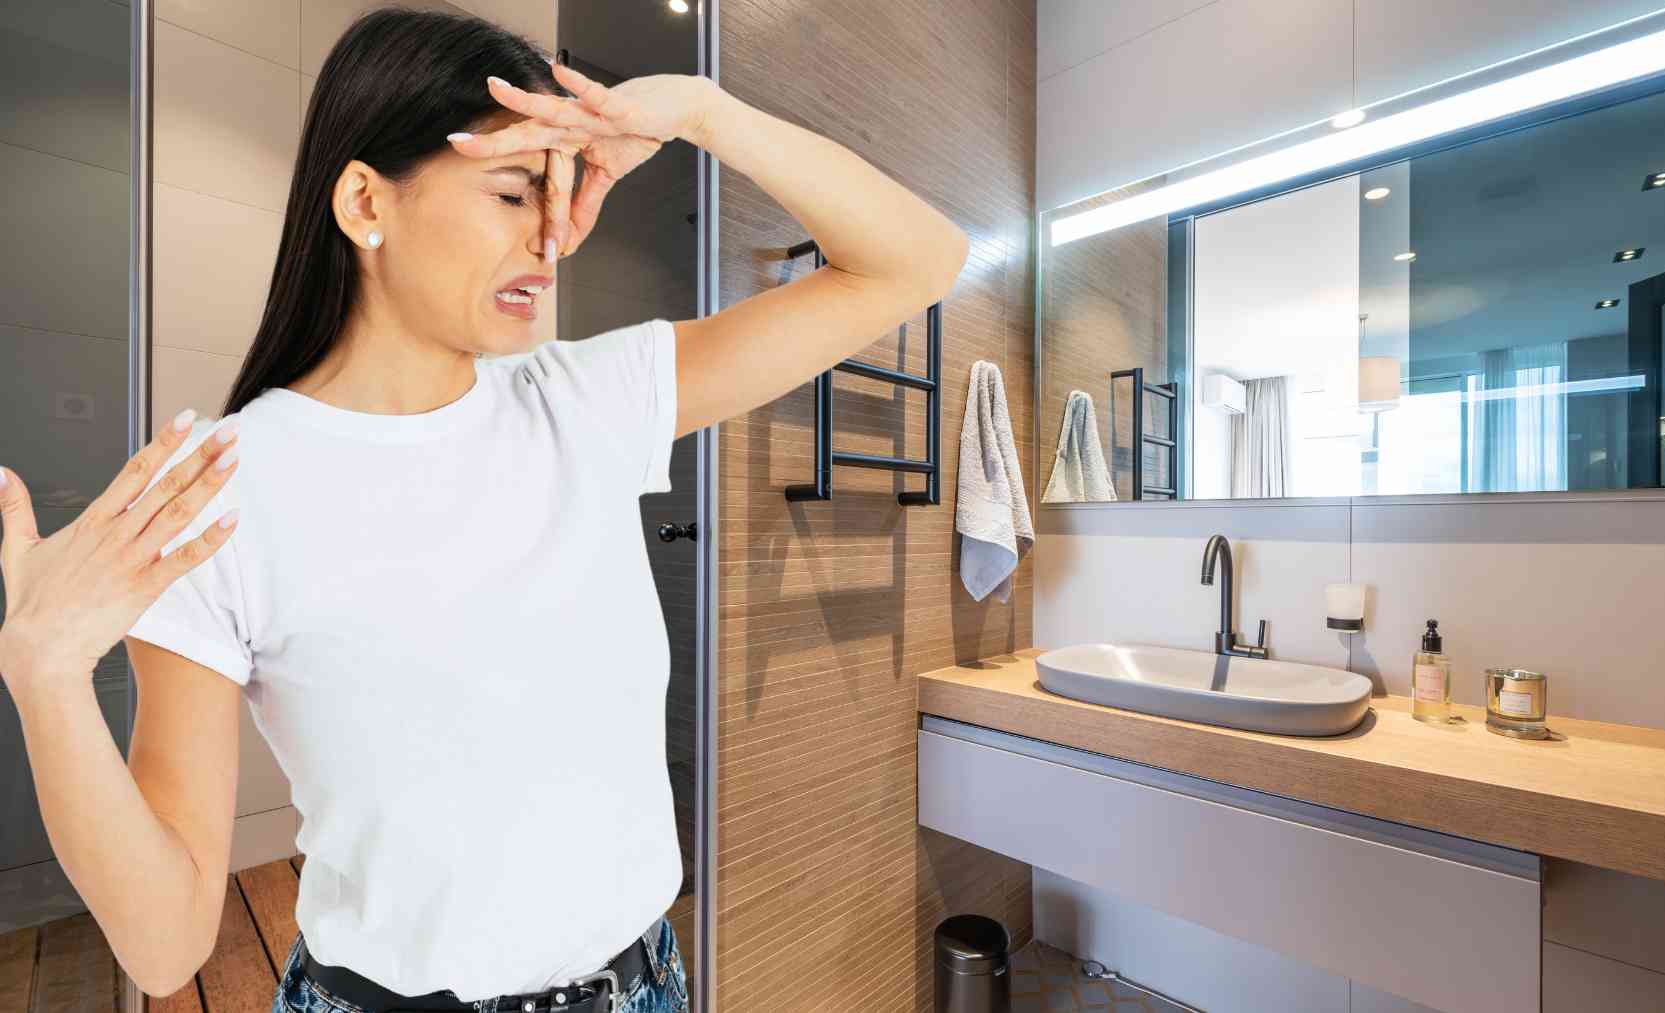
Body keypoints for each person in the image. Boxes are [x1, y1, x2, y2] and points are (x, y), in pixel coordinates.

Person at [0, 9, 965, 1013]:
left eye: (558, 197)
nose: (552, 236)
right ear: (366, 200)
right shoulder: (222, 489)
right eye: (513, 191)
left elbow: (919, 260)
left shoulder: (586, 398)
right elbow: (164, 947)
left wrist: (704, 111)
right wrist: (46, 675)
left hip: (646, 986)